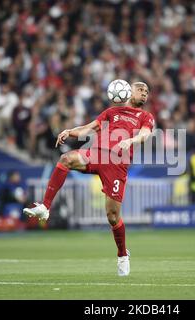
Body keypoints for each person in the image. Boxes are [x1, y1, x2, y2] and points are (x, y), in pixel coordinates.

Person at [23, 82, 155, 277]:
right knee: (66, 159)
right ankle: (45, 207)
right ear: (129, 91)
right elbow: (88, 128)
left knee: (112, 216)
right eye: (140, 90)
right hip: (96, 154)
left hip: (117, 165)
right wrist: (70, 131)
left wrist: (131, 140)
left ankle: (122, 254)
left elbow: (145, 134)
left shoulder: (145, 116)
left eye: (146, 92)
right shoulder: (111, 112)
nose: (144, 94)